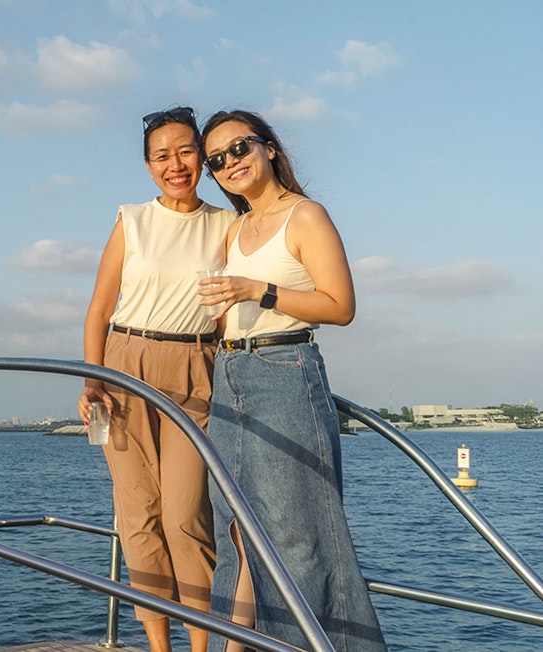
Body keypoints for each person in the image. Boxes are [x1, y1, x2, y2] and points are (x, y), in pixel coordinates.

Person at [196, 109, 387, 651]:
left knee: (298, 539)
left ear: (269, 148)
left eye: (239, 148)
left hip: (284, 371)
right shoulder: (235, 227)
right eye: (217, 160)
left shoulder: (305, 216)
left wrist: (258, 290)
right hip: (229, 372)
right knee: (237, 531)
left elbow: (341, 306)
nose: (229, 162)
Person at [78, 105, 236, 652]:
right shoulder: (131, 219)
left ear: (203, 158)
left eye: (186, 151)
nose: (176, 164)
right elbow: (99, 310)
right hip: (123, 368)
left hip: (197, 366)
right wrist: (92, 381)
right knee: (138, 517)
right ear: (148, 165)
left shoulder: (226, 224)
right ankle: (158, 647)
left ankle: (201, 646)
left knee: (186, 514)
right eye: (162, 155)